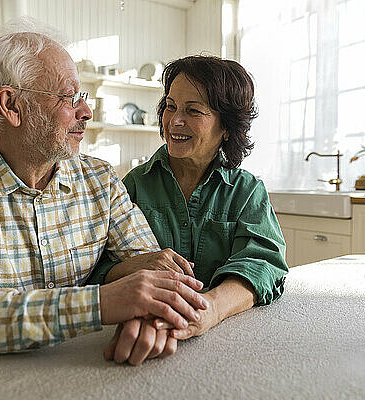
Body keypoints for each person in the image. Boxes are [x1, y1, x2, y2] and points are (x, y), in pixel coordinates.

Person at [0, 18, 209, 358]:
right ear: (11, 105)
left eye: (82, 96)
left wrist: (149, 318)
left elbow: (151, 274)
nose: (86, 112)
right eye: (69, 97)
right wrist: (99, 303)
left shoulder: (100, 181)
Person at [90, 56, 289, 365]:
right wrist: (128, 268)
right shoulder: (131, 186)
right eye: (170, 106)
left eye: (193, 110)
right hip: (144, 340)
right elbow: (93, 269)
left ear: (226, 127)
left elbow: (263, 264)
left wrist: (210, 308)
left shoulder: (247, 192)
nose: (175, 121)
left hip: (223, 344)